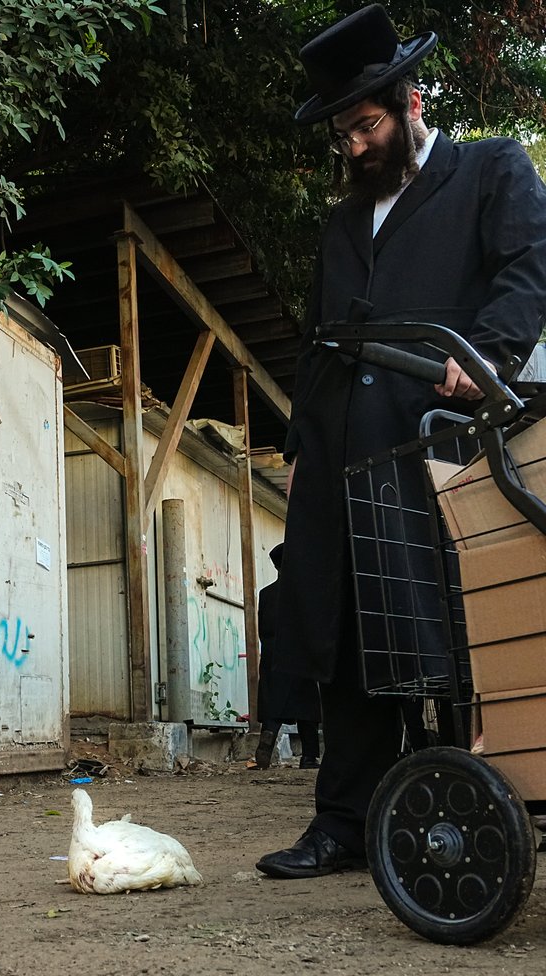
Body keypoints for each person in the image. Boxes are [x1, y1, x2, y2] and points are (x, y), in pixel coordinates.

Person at [257, 4, 546, 879]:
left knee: (457, 629)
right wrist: (302, 435)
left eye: (367, 125)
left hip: (443, 443)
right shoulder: (343, 224)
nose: (354, 147)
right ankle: (345, 823)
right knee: (345, 629)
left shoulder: (491, 168)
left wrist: (488, 355)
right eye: (343, 132)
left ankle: (477, 810)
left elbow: (530, 266)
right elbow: (319, 334)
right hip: (346, 456)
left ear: (411, 102)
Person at [247, 544, 321, 771]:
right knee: (306, 708)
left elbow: (263, 630)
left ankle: (266, 747)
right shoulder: (305, 593)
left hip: (273, 655)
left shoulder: (266, 594)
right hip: (300, 654)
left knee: (274, 705)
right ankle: (308, 757)